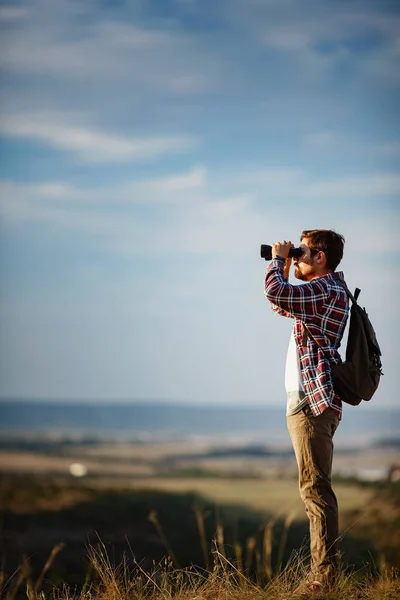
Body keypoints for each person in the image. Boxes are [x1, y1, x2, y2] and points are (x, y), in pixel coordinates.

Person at [263, 229, 349, 594]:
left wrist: (277, 261)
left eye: (303, 252)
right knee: (313, 488)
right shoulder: (323, 291)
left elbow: (275, 291)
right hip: (307, 402)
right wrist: (285, 265)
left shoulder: (326, 288)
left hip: (312, 404)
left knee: (315, 490)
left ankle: (324, 579)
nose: (297, 258)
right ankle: (324, 574)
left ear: (321, 258)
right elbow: (281, 303)